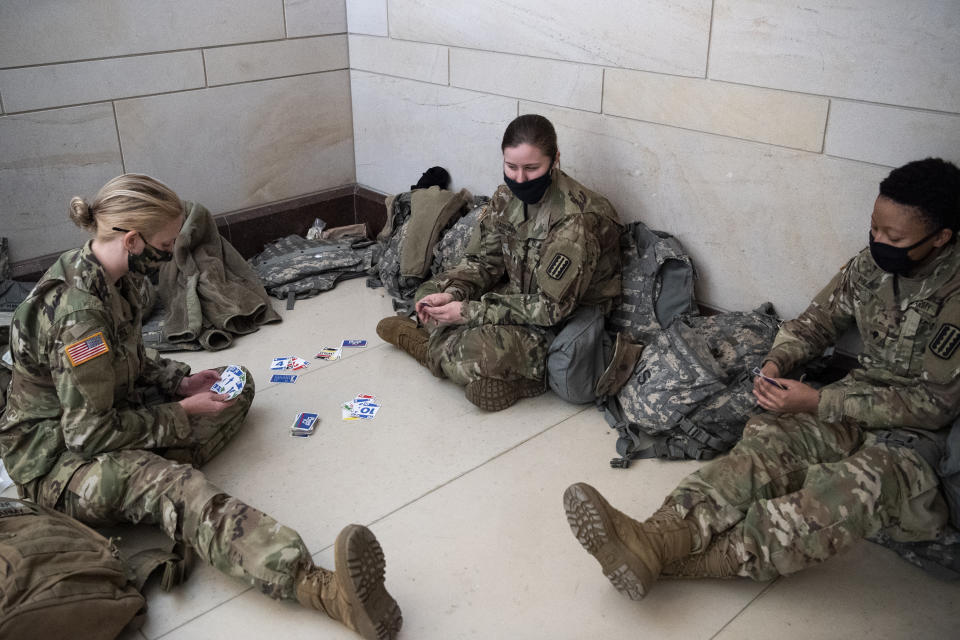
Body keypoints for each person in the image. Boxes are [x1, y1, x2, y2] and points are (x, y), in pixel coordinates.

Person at [0, 175, 402, 640]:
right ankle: (323, 590)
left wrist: (179, 380)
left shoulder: (115, 274)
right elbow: (87, 435)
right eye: (167, 243)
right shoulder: (78, 318)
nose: (174, 252)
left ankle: (146, 471)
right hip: (58, 462)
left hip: (106, 412)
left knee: (236, 386)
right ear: (133, 240)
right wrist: (180, 413)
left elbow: (127, 356)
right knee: (180, 486)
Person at [563, 157, 960, 599]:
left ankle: (680, 557)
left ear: (940, 237)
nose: (878, 242)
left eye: (894, 237)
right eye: (874, 229)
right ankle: (660, 533)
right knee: (768, 440)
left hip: (922, 441)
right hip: (855, 401)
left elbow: (936, 405)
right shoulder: (870, 267)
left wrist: (817, 402)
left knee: (851, 491)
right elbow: (816, 323)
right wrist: (777, 361)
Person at [377, 114, 623, 410]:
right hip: (519, 295)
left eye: (532, 168)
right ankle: (454, 346)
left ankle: (429, 347)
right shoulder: (507, 196)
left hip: (562, 321)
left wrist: (467, 312)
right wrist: (453, 294)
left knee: (466, 350)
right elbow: (483, 261)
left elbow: (551, 309)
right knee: (429, 291)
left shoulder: (576, 221)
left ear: (555, 160)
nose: (519, 178)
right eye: (511, 166)